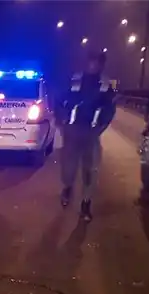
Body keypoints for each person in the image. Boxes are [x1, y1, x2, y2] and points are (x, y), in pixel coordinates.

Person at [55, 51, 116, 222]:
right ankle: (67, 188)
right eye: (92, 61)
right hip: (72, 133)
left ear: (102, 65)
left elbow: (110, 110)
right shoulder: (74, 80)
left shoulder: (105, 86)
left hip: (91, 134)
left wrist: (100, 128)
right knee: (68, 169)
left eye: (98, 62)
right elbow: (59, 101)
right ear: (86, 62)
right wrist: (62, 121)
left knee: (90, 171)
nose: (94, 65)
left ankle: (85, 205)